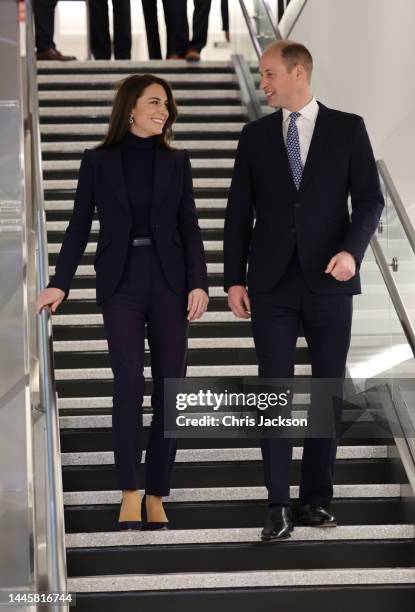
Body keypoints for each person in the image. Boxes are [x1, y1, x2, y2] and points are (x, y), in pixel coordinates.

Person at [223, 40, 384, 541]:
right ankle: (277, 503)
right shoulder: (253, 137)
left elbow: (371, 202)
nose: (263, 82)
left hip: (329, 285)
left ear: (297, 72)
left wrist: (351, 251)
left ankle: (315, 499)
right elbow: (236, 214)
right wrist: (233, 277)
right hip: (269, 287)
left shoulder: (347, 128)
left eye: (269, 74)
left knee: (324, 393)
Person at [36, 74, 209, 531]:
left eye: (168, 105)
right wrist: (60, 282)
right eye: (155, 102)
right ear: (129, 107)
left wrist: (199, 282)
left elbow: (189, 225)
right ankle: (130, 489)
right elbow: (77, 225)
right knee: (128, 380)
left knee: (172, 386)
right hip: (121, 283)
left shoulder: (178, 161)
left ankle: (157, 492)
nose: (164, 110)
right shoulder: (98, 161)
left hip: (171, 284)